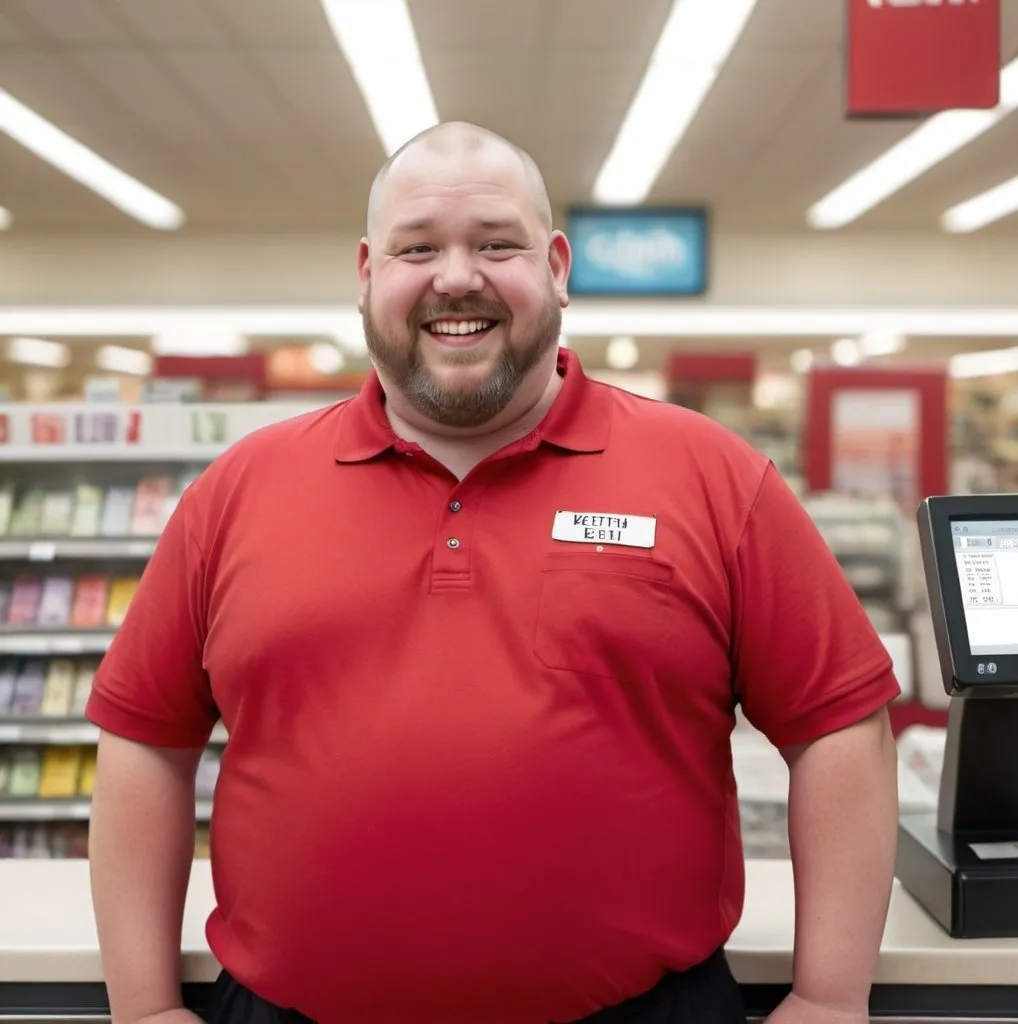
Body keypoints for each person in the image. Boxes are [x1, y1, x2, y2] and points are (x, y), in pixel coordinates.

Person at [87, 122, 899, 1024]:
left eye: (496, 244)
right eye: (418, 247)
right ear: (366, 274)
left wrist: (831, 996)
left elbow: (838, 723)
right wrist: (143, 1007)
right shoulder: (239, 490)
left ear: (556, 265)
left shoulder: (712, 477)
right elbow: (145, 742)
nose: (457, 277)